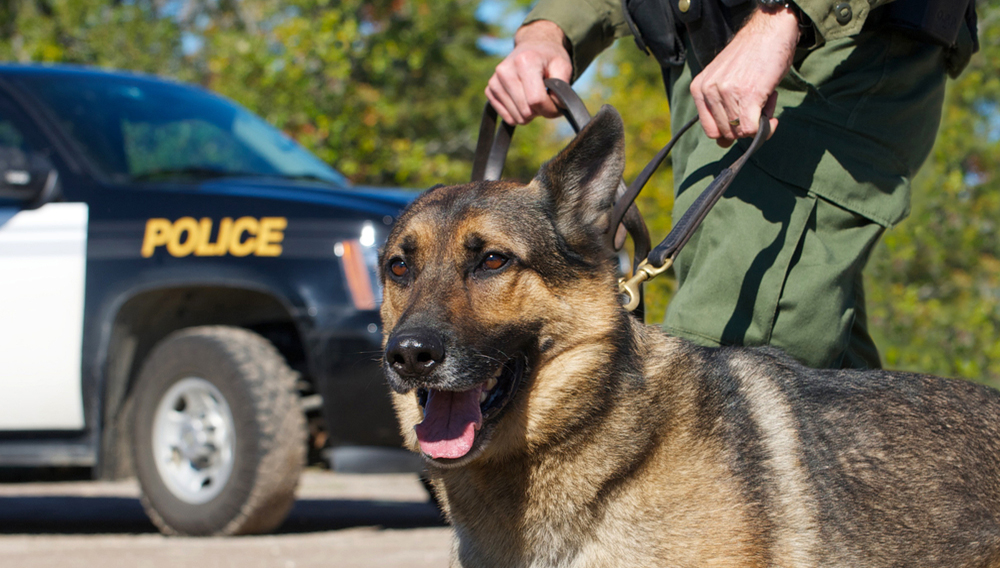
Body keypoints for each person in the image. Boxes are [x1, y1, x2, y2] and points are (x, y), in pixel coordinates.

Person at [486, 0, 978, 369]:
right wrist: (551, 30)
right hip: (702, 63)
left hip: (826, 52)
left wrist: (783, 15)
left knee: (719, 378)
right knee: (836, 394)